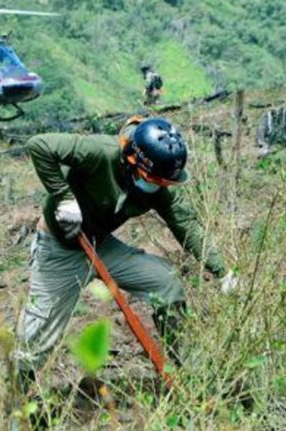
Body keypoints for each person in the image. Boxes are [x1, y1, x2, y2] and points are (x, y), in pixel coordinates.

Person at [13, 117, 240, 396]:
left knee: (166, 283)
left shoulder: (158, 185)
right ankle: (17, 402)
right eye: (151, 180)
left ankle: (188, 372)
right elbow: (39, 145)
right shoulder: (100, 153)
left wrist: (222, 271)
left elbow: (187, 225)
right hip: (59, 248)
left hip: (101, 244)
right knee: (35, 337)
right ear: (131, 161)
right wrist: (63, 197)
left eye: (162, 182)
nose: (156, 187)